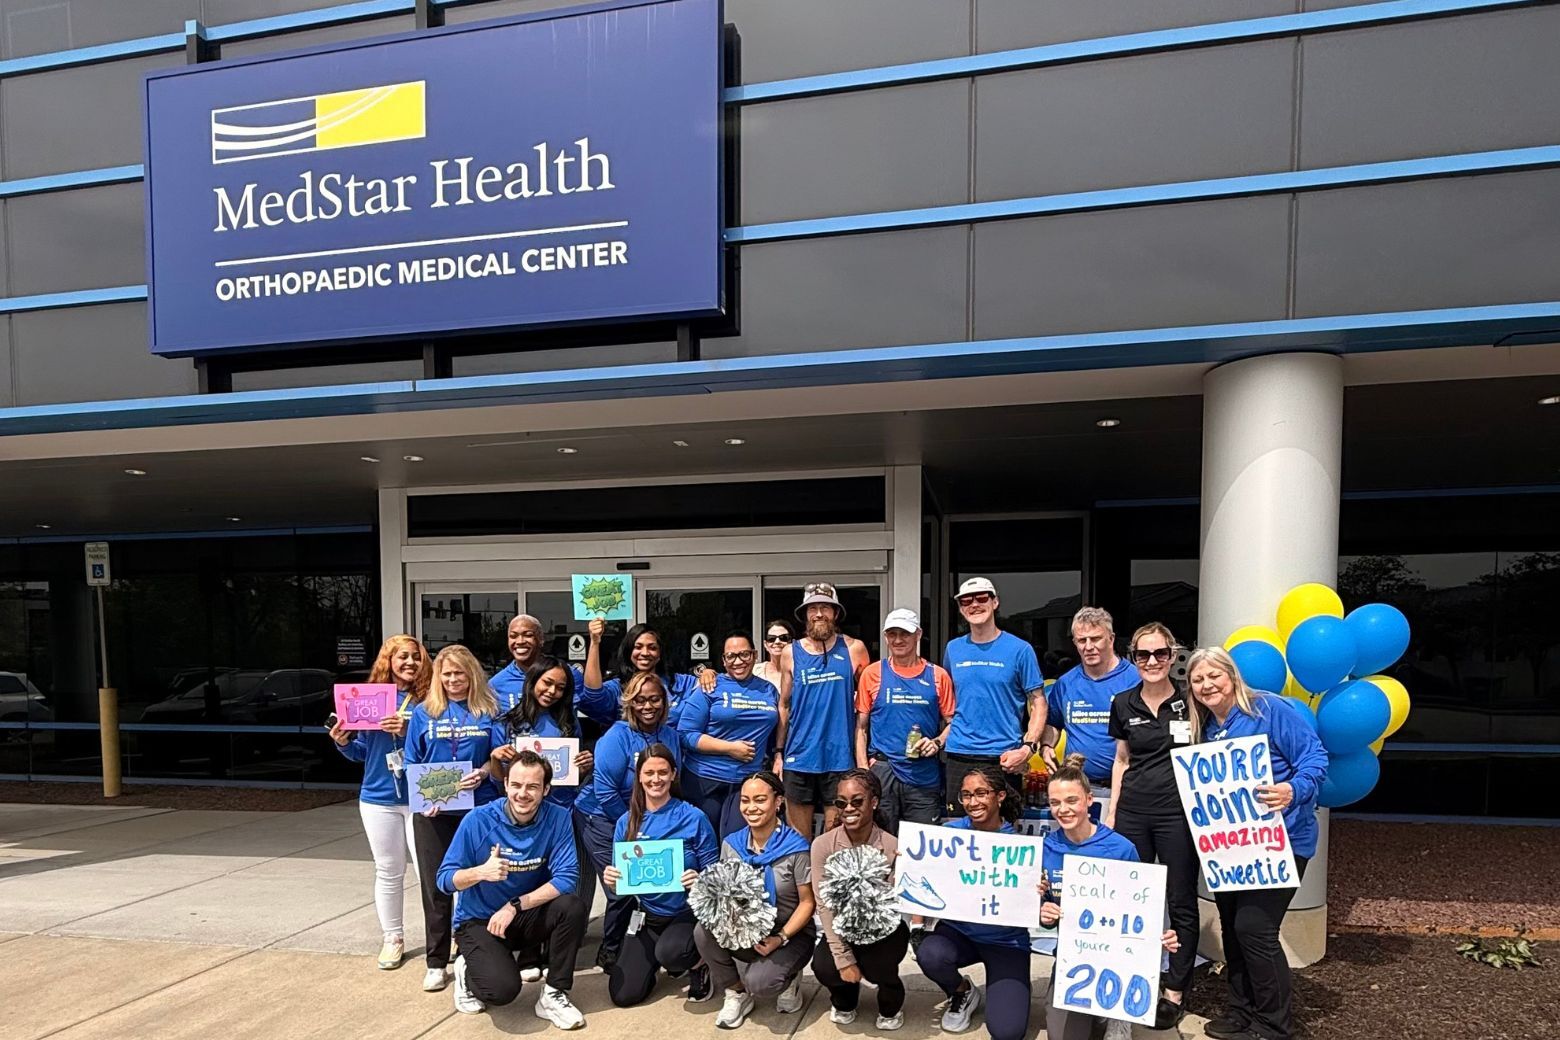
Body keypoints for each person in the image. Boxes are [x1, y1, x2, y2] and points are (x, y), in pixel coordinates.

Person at [1187, 646, 1328, 1040]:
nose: (1206, 685)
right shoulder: (1207, 728)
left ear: (1232, 676)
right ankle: (1240, 1011)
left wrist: (1292, 789)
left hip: (1282, 842)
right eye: (1198, 680)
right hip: (1231, 848)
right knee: (1233, 928)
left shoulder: (1271, 710)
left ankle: (1273, 1025)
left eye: (1214, 675)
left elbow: (1314, 757)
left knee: (1255, 929)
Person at [438, 750, 588, 1030]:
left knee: (571, 906)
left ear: (545, 789)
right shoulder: (478, 820)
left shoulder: (557, 818)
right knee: (502, 991)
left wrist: (514, 905)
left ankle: (554, 993)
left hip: (521, 915)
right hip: (480, 920)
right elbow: (444, 879)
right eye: (516, 785)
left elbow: (567, 877)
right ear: (505, 784)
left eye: (532, 786)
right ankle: (466, 968)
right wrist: (480, 872)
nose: (523, 794)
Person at [1039, 753, 1180, 1040]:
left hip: (1119, 957)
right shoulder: (1045, 849)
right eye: (1055, 803)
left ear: (1090, 800)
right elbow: (1041, 911)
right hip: (1073, 957)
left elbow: (1143, 904)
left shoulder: (1121, 848)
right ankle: (1093, 1012)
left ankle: (1115, 1014)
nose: (1063, 809)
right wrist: (1041, 908)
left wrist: (1160, 937)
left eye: (1072, 801)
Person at [1103, 622, 1200, 1028]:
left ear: (1173, 655)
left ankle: (1174, 989)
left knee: (1179, 900)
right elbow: (1122, 759)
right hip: (1133, 814)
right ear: (1133, 657)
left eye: (1161, 653)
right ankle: (1134, 977)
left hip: (1177, 815)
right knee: (1131, 901)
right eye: (1143, 655)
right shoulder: (1123, 702)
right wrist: (1111, 811)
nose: (1153, 662)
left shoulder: (1192, 703)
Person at [327, 633, 430, 971]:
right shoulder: (369, 698)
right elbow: (363, 752)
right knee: (388, 870)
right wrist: (343, 743)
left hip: (422, 797)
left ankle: (449, 933)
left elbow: (440, 750)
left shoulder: (432, 701)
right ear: (389, 660)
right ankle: (393, 938)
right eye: (402, 656)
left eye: (415, 656)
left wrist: (406, 732)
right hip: (378, 798)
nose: (410, 663)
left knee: (432, 871)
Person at [404, 645, 503, 992]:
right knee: (436, 886)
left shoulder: (489, 710)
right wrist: (424, 797)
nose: (452, 680)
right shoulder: (423, 713)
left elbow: (499, 759)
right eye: (446, 674)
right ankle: (435, 959)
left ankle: (468, 950)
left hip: (479, 810)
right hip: (434, 813)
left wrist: (484, 772)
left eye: (459, 673)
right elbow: (412, 762)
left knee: (477, 883)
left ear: (471, 674)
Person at [490, 655, 599, 967]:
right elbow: (500, 776)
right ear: (532, 681)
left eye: (560, 687)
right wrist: (497, 757)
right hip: (523, 814)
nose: (552, 691)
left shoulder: (567, 722)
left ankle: (558, 940)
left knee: (561, 877)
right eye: (547, 683)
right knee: (527, 878)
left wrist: (583, 765)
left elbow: (571, 774)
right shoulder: (508, 722)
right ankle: (526, 946)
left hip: (561, 810)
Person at [913, 765, 1032, 1040]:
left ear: (999, 796)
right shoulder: (948, 834)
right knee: (930, 954)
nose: (972, 802)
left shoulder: (1018, 847)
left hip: (1006, 942)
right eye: (966, 795)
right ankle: (962, 991)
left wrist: (1038, 889)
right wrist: (909, 862)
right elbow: (925, 876)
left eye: (981, 793)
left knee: (1007, 1032)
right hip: (960, 933)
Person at [574, 671, 683, 971]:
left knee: (649, 879)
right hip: (602, 815)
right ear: (630, 703)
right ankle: (610, 950)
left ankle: (644, 944)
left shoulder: (671, 735)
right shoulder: (615, 736)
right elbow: (605, 791)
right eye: (641, 700)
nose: (648, 706)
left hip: (644, 816)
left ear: (664, 702)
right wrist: (635, 827)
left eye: (655, 699)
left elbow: (673, 782)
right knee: (622, 884)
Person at [694, 771, 817, 1030]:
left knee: (762, 984)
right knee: (703, 931)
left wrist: (781, 937)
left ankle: (790, 977)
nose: (751, 808)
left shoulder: (796, 847)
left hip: (789, 935)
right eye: (745, 800)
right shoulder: (732, 845)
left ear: (778, 802)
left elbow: (807, 902)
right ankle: (735, 991)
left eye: (760, 800)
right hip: (747, 932)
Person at [601, 743, 720, 1007]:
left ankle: (699, 964)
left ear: (673, 774)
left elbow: (715, 873)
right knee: (623, 995)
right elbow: (623, 887)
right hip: (648, 916)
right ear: (639, 776)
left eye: (663, 772)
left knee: (673, 954)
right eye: (649, 773)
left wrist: (700, 879)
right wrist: (614, 880)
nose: (656, 779)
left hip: (686, 912)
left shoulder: (693, 817)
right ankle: (649, 964)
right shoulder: (627, 821)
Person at [809, 767, 910, 1031]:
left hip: (884, 929)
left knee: (879, 967)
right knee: (824, 966)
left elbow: (896, 905)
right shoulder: (822, 845)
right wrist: (844, 959)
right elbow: (824, 905)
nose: (848, 808)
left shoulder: (893, 846)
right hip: (841, 926)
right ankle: (844, 999)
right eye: (841, 802)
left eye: (857, 801)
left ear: (874, 802)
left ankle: (890, 1002)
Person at [941, 577, 1046, 812]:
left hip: (1004, 756)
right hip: (960, 753)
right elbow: (949, 699)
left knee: (1004, 833)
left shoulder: (1020, 649)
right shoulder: (953, 649)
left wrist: (1028, 748)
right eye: (966, 600)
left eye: (981, 598)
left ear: (995, 602)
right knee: (959, 830)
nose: (974, 604)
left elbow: (1038, 701)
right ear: (960, 608)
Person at [775, 582, 870, 835]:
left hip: (839, 757)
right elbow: (784, 705)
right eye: (813, 608)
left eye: (825, 608)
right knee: (798, 838)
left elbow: (866, 706)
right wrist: (779, 753)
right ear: (805, 614)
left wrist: (863, 755)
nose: (819, 613)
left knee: (835, 835)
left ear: (835, 613)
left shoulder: (854, 649)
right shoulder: (790, 653)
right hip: (800, 757)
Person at [855, 608, 954, 831]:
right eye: (892, 634)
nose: (898, 640)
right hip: (882, 770)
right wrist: (864, 770)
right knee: (881, 844)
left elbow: (953, 722)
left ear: (918, 634)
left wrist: (937, 742)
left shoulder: (938, 675)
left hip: (923, 774)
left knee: (923, 847)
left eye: (905, 634)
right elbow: (861, 728)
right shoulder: (872, 673)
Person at [678, 632, 781, 838]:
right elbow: (686, 734)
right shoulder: (710, 687)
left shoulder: (768, 690)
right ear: (724, 661)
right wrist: (730, 748)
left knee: (737, 844)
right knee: (705, 842)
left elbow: (778, 729)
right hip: (705, 780)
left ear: (754, 655)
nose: (738, 661)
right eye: (731, 656)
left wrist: (778, 755)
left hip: (747, 783)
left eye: (744, 654)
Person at [1042, 606, 1141, 791]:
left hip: (1126, 786)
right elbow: (1054, 723)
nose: (1088, 647)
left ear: (1111, 639)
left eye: (1096, 639)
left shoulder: (1136, 680)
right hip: (1077, 785)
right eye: (1081, 640)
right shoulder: (1065, 683)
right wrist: (1047, 746)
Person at [491, 613, 615, 727]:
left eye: (528, 635)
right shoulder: (496, 684)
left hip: (563, 749)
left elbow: (599, 709)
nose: (520, 641)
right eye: (513, 636)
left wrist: (594, 642)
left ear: (541, 639)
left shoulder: (567, 675)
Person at [585, 619, 703, 726]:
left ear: (660, 654)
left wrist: (707, 674)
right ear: (629, 651)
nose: (645, 652)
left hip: (673, 748)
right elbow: (593, 695)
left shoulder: (679, 683)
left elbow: (714, 689)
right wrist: (594, 643)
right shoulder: (617, 687)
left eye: (652, 648)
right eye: (638, 647)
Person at [753, 619, 795, 688]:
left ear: (791, 642)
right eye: (771, 638)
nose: (777, 641)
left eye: (783, 638)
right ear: (765, 644)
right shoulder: (755, 671)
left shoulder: (799, 672)